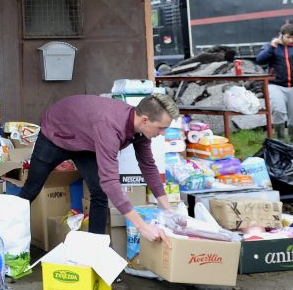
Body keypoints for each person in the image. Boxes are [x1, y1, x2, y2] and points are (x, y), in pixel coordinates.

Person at [18, 93, 179, 243]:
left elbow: (148, 166)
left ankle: (95, 250)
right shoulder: (110, 126)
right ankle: (7, 236)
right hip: (56, 132)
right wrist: (142, 226)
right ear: (145, 120)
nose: (163, 133)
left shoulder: (141, 131)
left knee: (99, 193)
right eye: (161, 128)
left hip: (86, 142)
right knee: (32, 188)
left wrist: (169, 211)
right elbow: (110, 182)